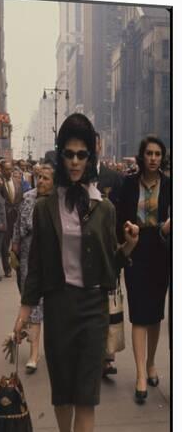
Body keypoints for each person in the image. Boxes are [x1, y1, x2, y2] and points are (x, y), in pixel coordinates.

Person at [13, 113, 139, 432]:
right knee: (62, 394)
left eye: (81, 154)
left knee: (86, 395)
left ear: (91, 157)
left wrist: (128, 248)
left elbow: (109, 266)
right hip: (60, 306)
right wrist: (23, 311)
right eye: (68, 154)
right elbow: (35, 265)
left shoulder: (105, 208)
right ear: (60, 155)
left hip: (92, 308)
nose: (74, 161)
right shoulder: (45, 206)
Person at [117, 135, 170, 405]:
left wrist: (165, 228)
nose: (153, 158)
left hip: (161, 254)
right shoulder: (127, 184)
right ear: (141, 156)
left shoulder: (171, 185)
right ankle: (140, 373)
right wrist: (125, 237)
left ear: (162, 157)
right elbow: (115, 216)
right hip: (135, 250)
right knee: (138, 314)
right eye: (149, 153)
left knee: (155, 315)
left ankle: (151, 363)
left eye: (157, 154)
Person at [12, 162, 55, 373]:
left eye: (46, 178)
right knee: (34, 305)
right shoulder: (29, 198)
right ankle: (34, 353)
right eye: (39, 177)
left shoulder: (59, 202)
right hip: (30, 257)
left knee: (53, 307)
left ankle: (53, 350)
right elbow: (19, 225)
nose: (42, 182)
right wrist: (14, 247)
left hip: (54, 261)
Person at [95, 132, 124, 377]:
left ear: (99, 145)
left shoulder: (113, 177)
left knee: (110, 303)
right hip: (82, 254)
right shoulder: (76, 178)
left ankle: (108, 355)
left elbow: (123, 213)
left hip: (110, 250)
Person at [0, 159, 23, 277]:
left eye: (10, 169)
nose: (9, 171)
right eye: (7, 169)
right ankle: (6, 269)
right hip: (5, 217)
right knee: (5, 244)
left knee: (18, 242)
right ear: (2, 170)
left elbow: (20, 199)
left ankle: (18, 265)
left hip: (16, 216)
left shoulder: (17, 182)